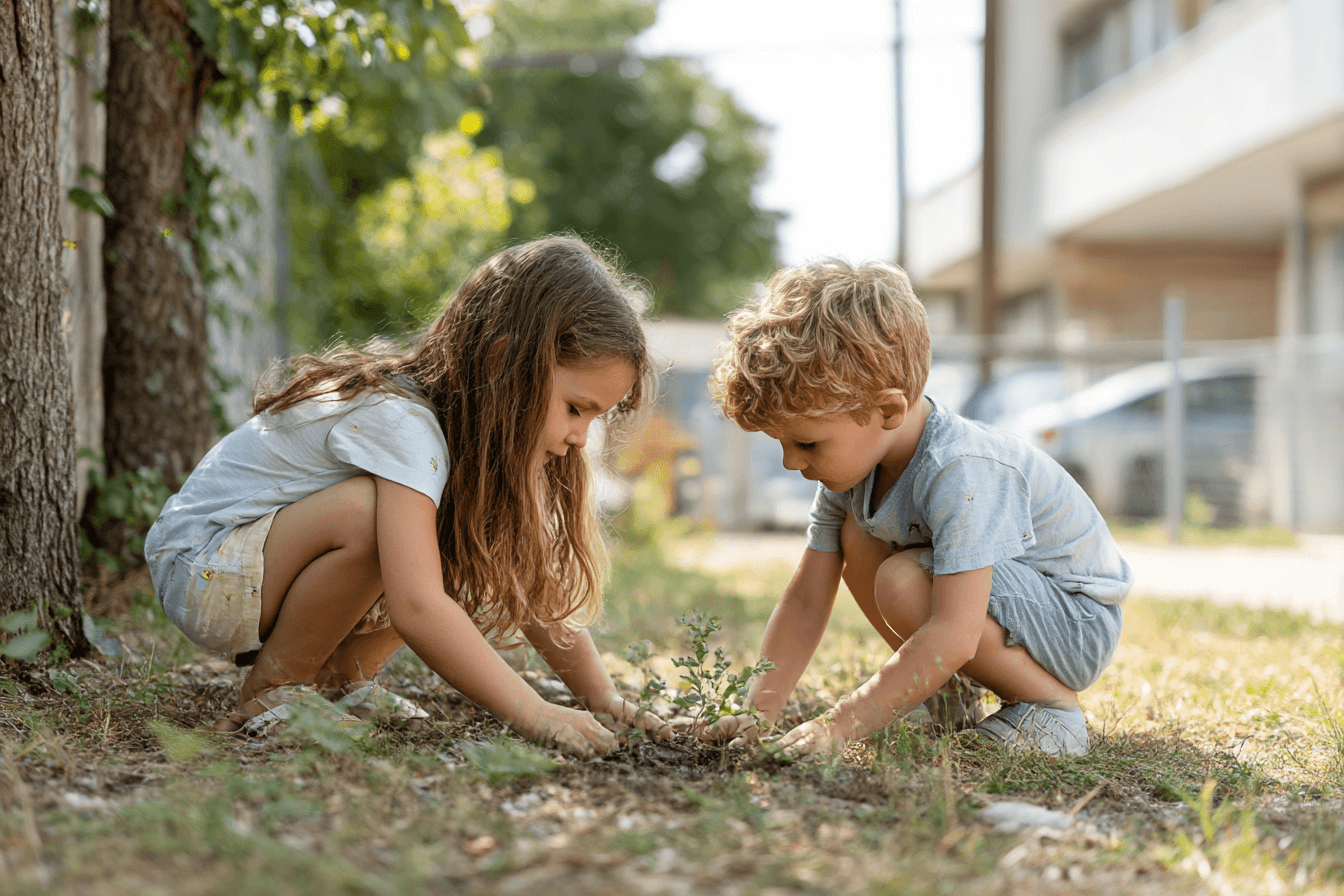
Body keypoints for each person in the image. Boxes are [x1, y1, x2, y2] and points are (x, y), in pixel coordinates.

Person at [144, 235, 667, 757]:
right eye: (576, 408)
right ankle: (271, 692)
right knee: (375, 521)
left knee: (459, 534)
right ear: (505, 363)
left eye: (595, 417)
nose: (580, 438)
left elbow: (533, 587)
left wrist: (602, 699)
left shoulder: (467, 445)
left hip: (256, 571)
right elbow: (416, 606)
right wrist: (535, 713)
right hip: (203, 568)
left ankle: (341, 682)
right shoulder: (403, 423)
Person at [704, 259, 1132, 758]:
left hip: (1074, 622)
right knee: (857, 534)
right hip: (1011, 609)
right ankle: (953, 698)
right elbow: (804, 600)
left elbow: (953, 632)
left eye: (807, 444)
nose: (790, 462)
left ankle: (1050, 708)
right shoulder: (855, 472)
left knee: (902, 579)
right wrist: (759, 714)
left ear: (887, 410)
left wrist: (838, 727)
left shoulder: (959, 468)